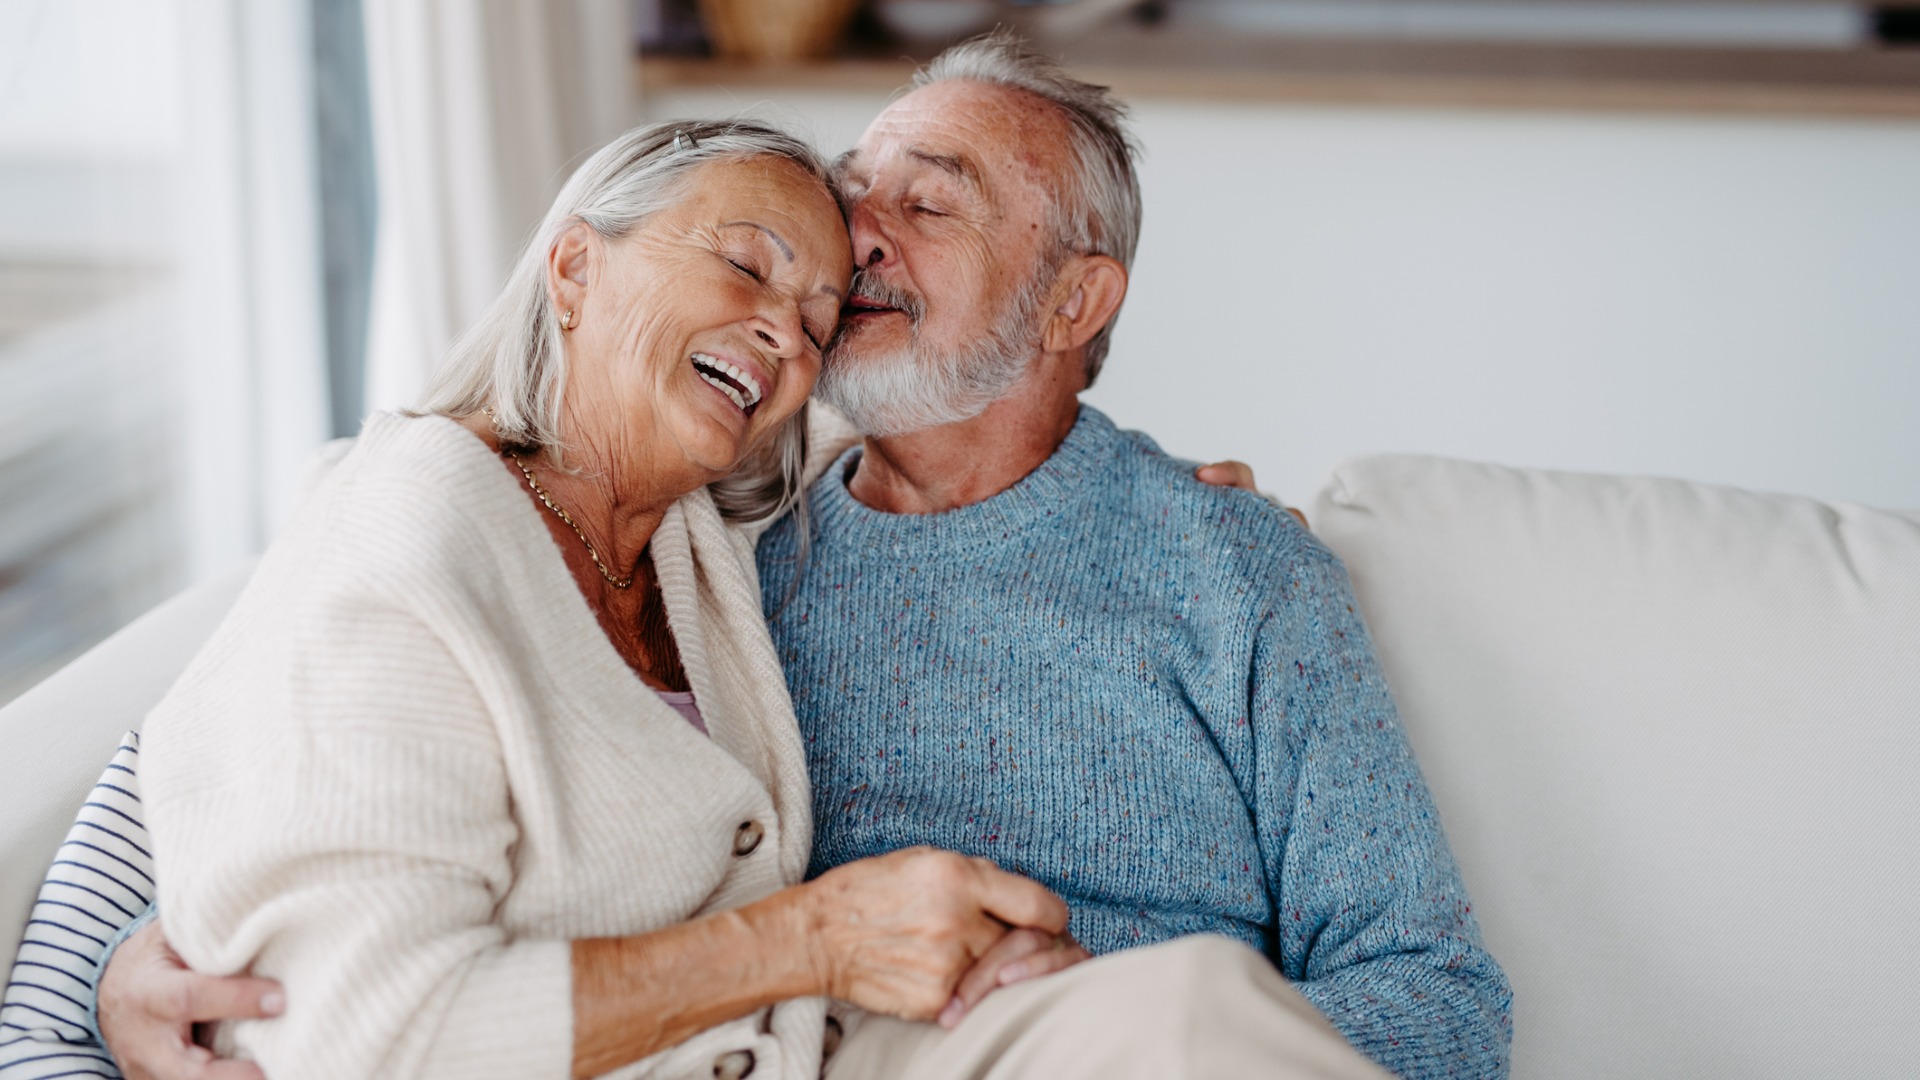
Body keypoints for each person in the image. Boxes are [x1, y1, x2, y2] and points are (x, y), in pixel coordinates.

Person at [37, 31, 1512, 1080]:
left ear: (1076, 301)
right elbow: (265, 713)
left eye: (927, 205)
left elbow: (1439, 1005)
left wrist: (1115, 1023)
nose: (856, 244)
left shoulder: (1237, 572)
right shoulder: (729, 546)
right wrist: (123, 968)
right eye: (847, 196)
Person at [1, 119, 1100, 1080]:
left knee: (1157, 1020)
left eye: (821, 324)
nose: (784, 333)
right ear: (573, 267)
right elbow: (360, 1031)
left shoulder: (698, 534)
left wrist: (1146, 492)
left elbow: (955, 434)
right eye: (744, 264)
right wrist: (810, 939)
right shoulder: (409, 526)